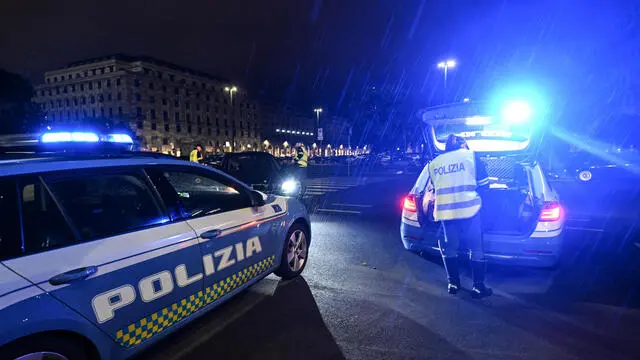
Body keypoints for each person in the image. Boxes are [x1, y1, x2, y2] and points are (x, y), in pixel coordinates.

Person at [426, 134, 492, 298]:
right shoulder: (471, 156)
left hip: (446, 212)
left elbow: (435, 187)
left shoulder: (434, 164)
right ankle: (478, 288)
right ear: (463, 145)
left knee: (450, 248)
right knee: (476, 248)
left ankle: (453, 284)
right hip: (469, 210)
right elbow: (485, 185)